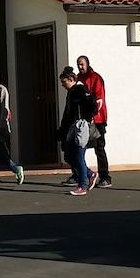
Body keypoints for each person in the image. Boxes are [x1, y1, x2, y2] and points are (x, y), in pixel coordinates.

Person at [56, 68, 97, 196]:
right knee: (69, 156)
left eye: (64, 82)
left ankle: (83, 185)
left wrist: (87, 119)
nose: (62, 85)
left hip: (80, 127)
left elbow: (92, 104)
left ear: (72, 80)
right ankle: (90, 174)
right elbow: (67, 112)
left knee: (79, 155)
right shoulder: (71, 91)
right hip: (71, 127)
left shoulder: (80, 89)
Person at [76, 55, 112, 188]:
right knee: (78, 148)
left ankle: (105, 177)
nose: (80, 67)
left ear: (87, 64)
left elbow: (99, 99)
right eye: (78, 64)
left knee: (99, 148)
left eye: (82, 64)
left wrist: (92, 114)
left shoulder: (96, 78)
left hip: (98, 119)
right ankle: (78, 175)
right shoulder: (79, 79)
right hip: (84, 119)